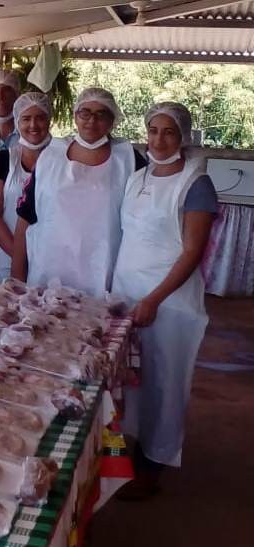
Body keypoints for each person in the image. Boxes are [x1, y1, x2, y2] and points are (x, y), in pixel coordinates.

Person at [113, 103, 217, 500]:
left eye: (169, 132)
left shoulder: (195, 183)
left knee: (164, 383)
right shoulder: (137, 176)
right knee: (129, 383)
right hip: (127, 293)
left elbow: (191, 252)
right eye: (153, 130)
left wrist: (155, 298)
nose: (158, 139)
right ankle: (126, 453)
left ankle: (154, 465)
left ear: (183, 137)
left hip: (169, 302)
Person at [12, 87, 146, 296]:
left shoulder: (128, 160)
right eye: (85, 113)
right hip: (49, 270)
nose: (91, 120)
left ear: (113, 120)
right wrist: (17, 277)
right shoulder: (50, 156)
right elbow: (25, 217)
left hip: (104, 272)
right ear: (75, 116)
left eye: (101, 114)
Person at [0, 92, 52, 284]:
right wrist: (20, 257)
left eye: (40, 118)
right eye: (26, 119)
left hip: (48, 260)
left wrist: (37, 261)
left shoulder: (62, 160)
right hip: (4, 256)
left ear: (50, 120)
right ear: (17, 122)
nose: (33, 125)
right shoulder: (2, 160)